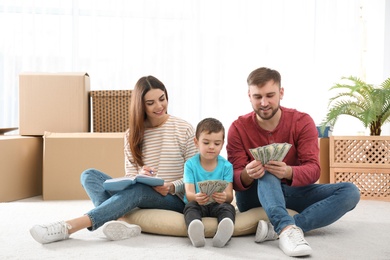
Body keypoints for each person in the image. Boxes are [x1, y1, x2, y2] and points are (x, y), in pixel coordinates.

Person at [30, 75, 197, 244]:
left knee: (139, 190)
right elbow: (130, 175)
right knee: (89, 175)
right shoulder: (132, 134)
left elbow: (196, 175)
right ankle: (120, 222)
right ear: (140, 105)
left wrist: (171, 187)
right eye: (150, 102)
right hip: (141, 192)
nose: (159, 106)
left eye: (162, 99)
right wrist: (139, 174)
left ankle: (68, 226)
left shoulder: (184, 129)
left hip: (174, 198)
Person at [226, 67, 360, 257]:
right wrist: (248, 173)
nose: (264, 103)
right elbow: (234, 176)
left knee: (350, 192)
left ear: (281, 93)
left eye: (270, 95)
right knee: (267, 170)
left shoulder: (302, 121)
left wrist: (288, 172)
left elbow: (314, 170)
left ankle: (284, 228)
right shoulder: (238, 128)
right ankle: (287, 229)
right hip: (254, 194)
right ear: (249, 95)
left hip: (292, 191)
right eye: (257, 97)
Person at [183, 118, 235, 248]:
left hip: (218, 204)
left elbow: (229, 196)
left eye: (217, 144)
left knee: (228, 208)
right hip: (198, 203)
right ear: (196, 142)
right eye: (206, 142)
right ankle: (195, 230)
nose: (212, 147)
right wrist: (196, 197)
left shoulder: (227, 166)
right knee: (190, 207)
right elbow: (189, 193)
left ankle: (224, 233)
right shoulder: (190, 164)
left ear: (223, 144)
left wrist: (224, 197)